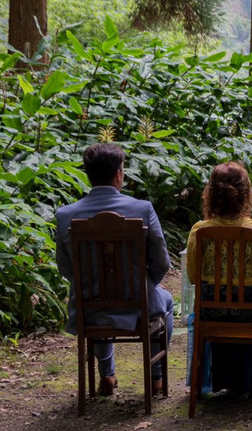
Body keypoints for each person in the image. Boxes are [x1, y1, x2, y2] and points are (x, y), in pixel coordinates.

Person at [55, 143, 173, 396]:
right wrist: (146, 285)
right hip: (139, 304)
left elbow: (65, 268)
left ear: (88, 174)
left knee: (99, 305)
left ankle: (107, 375)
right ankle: (156, 378)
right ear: (119, 174)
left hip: (90, 305)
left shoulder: (65, 215)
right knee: (166, 301)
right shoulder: (142, 209)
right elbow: (162, 261)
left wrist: (92, 285)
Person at [185, 162, 252, 394]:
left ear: (211, 194)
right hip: (250, 310)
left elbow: (193, 277)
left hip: (211, 311)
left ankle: (218, 380)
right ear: (246, 194)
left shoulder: (199, 230)